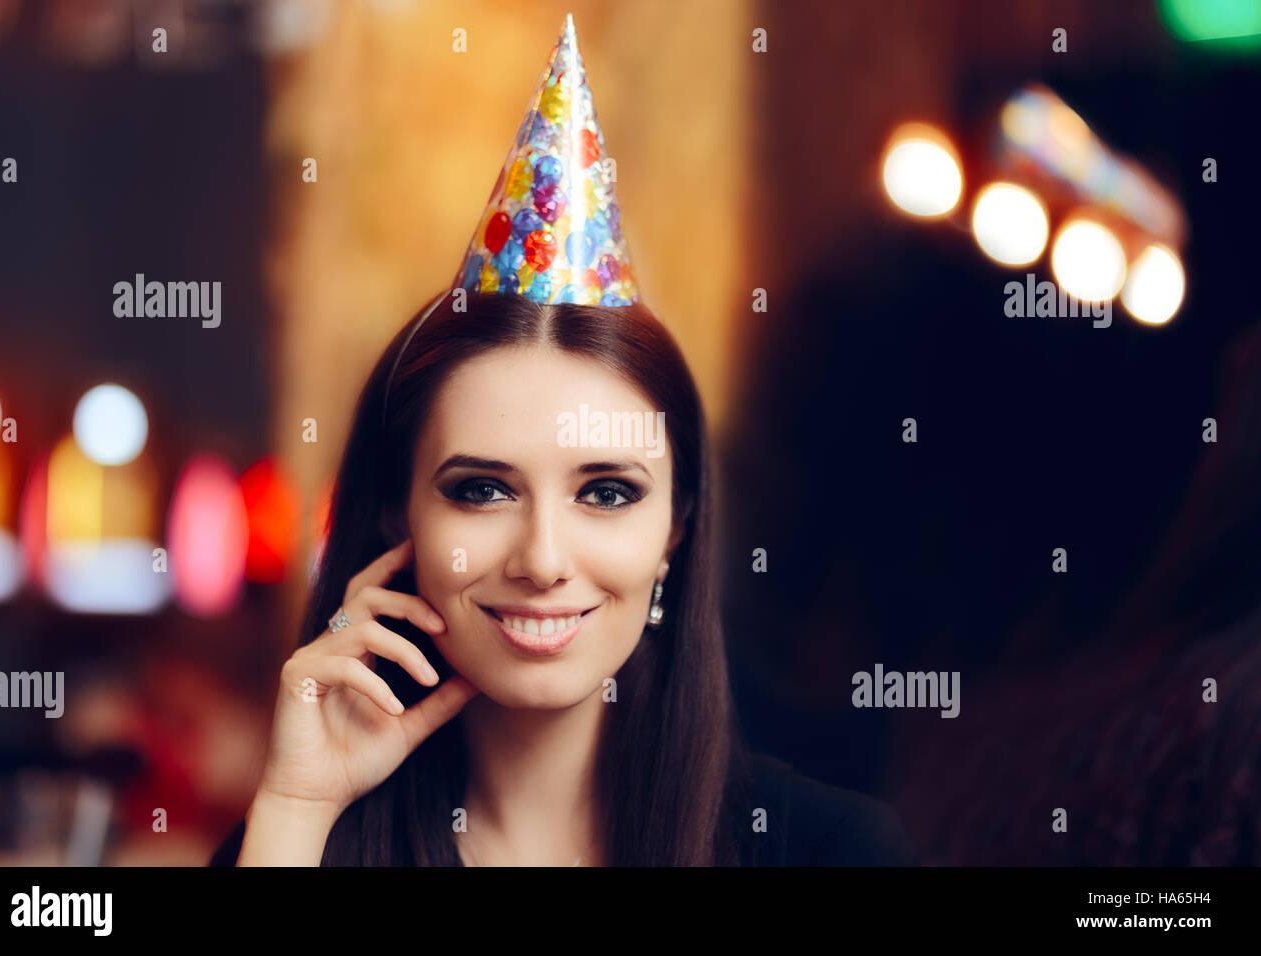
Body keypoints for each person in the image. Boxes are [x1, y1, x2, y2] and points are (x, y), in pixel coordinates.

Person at [212, 14, 914, 867]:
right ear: (400, 516)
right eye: (482, 489)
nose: (542, 560)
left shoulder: (832, 853)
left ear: (677, 526)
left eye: (606, 491)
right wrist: (295, 805)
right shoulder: (294, 844)